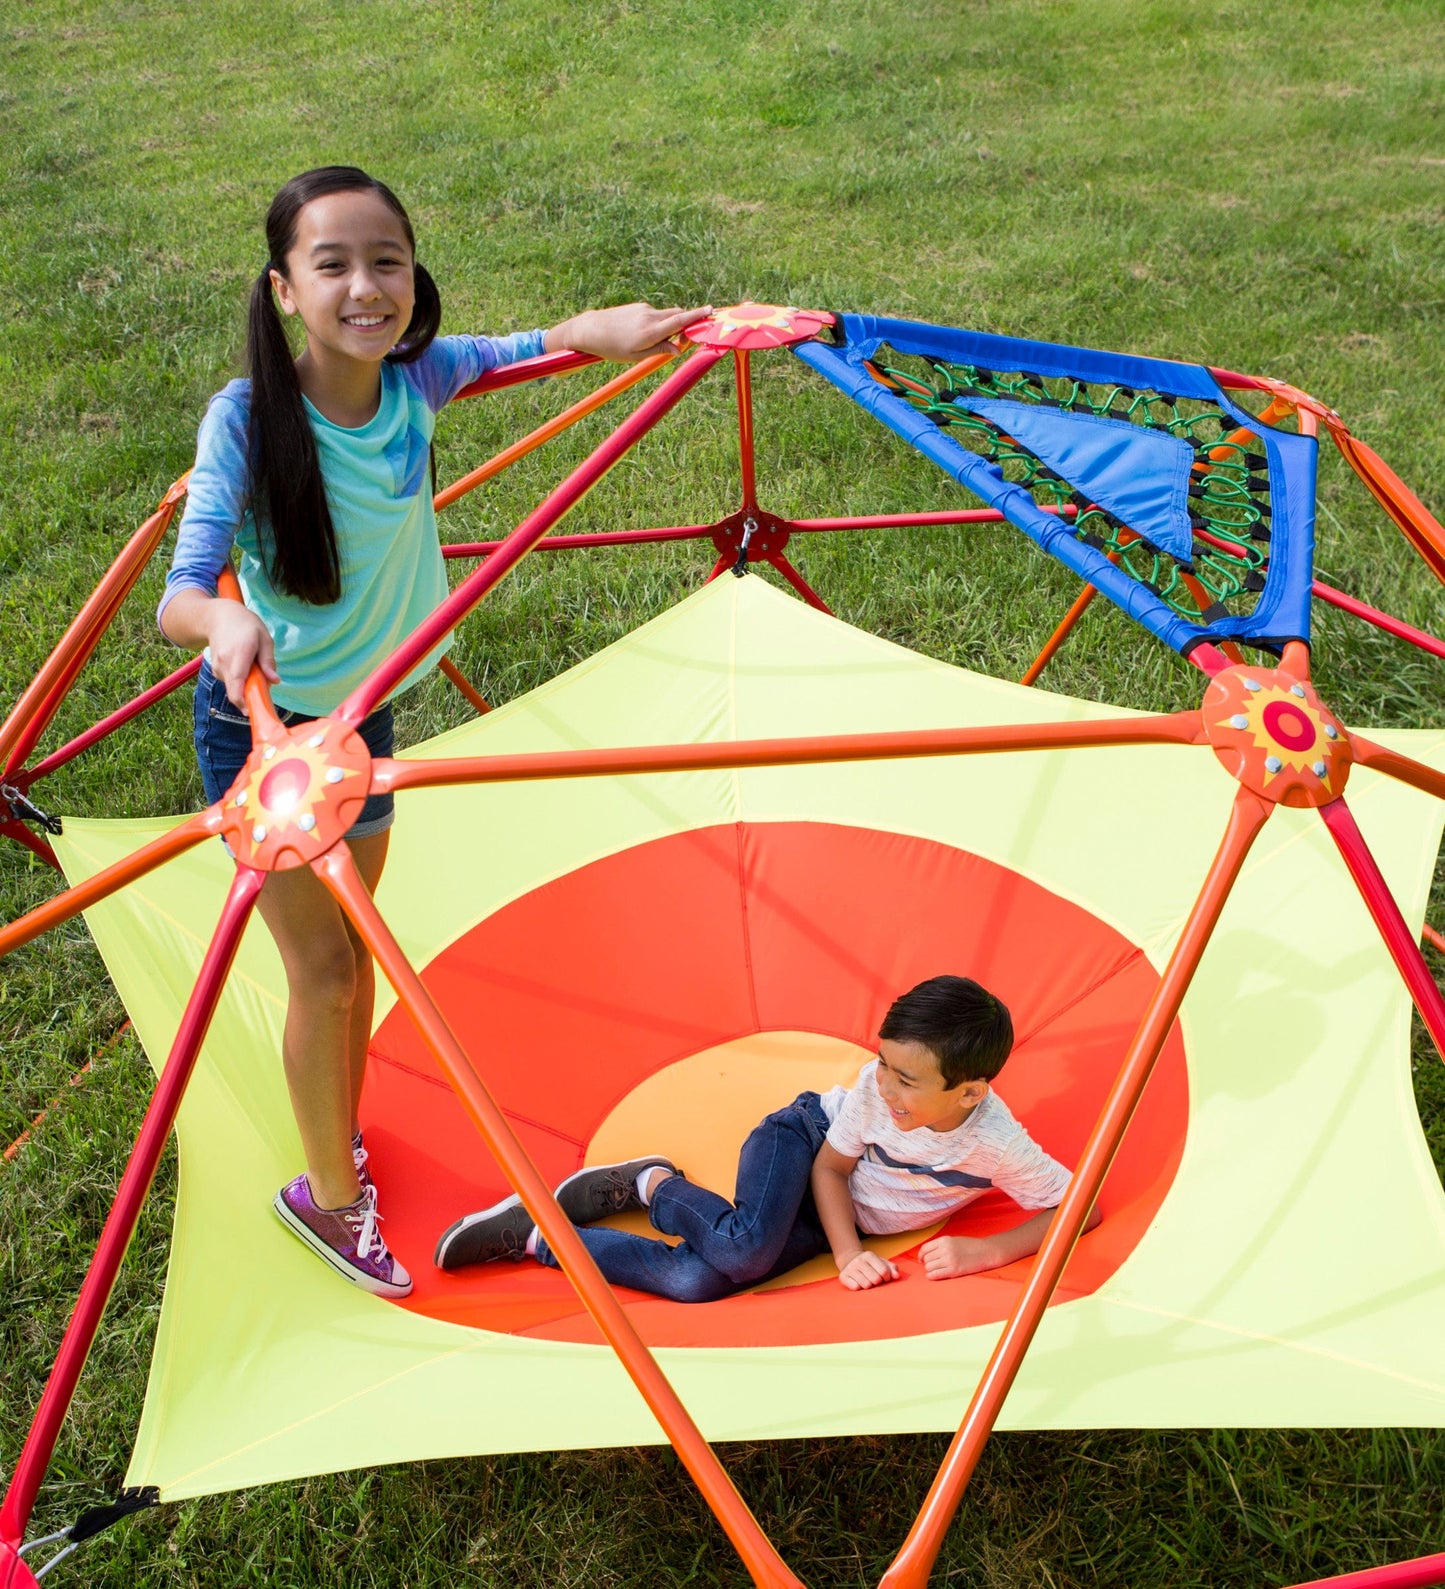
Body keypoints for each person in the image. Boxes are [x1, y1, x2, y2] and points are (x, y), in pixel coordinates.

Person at [159, 165, 708, 1300]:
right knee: (321, 966)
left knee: (353, 957)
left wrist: (611, 333)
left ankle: (333, 1131)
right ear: (282, 290)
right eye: (333, 265)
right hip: (275, 738)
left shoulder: (417, 377)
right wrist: (222, 618)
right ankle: (327, 1195)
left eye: (387, 261)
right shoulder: (250, 419)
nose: (366, 287)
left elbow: (526, 345)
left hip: (369, 712)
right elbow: (180, 589)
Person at [434, 975, 1101, 1300]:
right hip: (801, 1144)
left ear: (969, 1091)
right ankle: (653, 1185)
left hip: (844, 1207)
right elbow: (831, 1169)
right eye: (882, 1063)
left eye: (904, 1079)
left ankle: (541, 1237)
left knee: (698, 1281)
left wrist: (990, 1250)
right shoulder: (872, 1093)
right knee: (748, 1250)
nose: (883, 1086)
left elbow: (1083, 1205)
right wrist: (845, 1255)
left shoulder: (995, 1140)